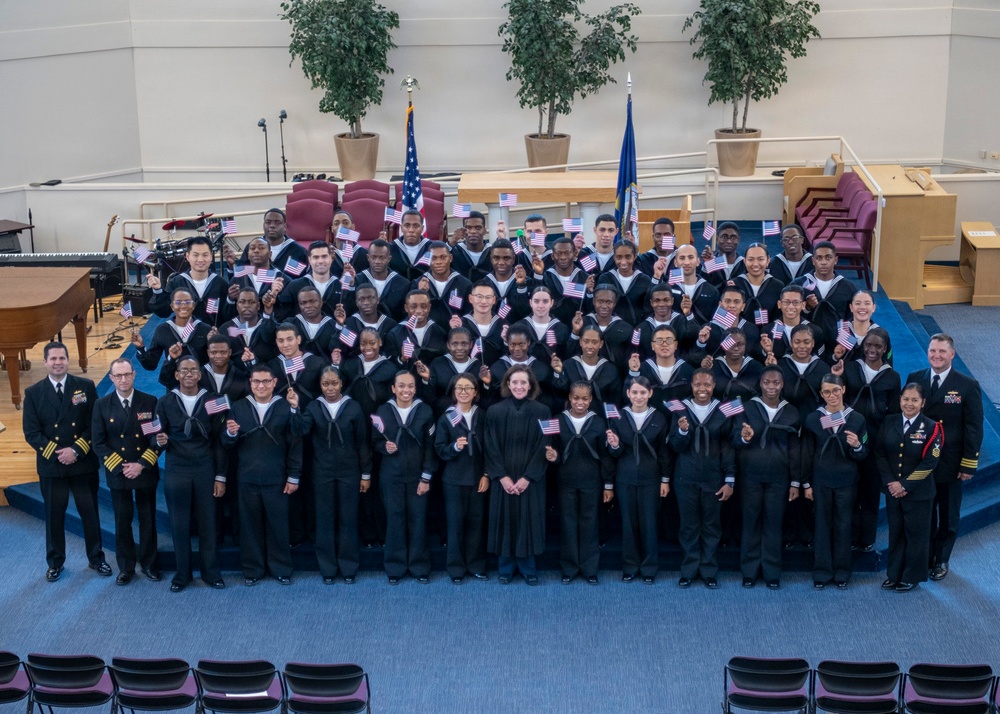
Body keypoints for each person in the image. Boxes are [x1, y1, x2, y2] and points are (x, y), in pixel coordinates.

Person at [22, 342, 108, 582]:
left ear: (68, 360)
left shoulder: (86, 387)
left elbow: (95, 424)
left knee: (90, 514)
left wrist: (76, 450)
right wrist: (60, 452)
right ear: (46, 362)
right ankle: (55, 563)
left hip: (82, 463)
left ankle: (97, 559)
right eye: (53, 359)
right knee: (54, 516)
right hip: (53, 465)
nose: (58, 362)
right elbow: (31, 433)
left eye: (62, 358)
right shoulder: (33, 393)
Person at [905, 333, 983, 581]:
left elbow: (973, 426)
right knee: (925, 512)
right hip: (921, 460)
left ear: (952, 354)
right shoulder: (915, 378)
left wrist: (969, 463)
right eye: (932, 351)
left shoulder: (967, 385)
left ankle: (942, 559)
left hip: (950, 461)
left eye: (941, 352)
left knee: (948, 515)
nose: (936, 356)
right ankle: (926, 555)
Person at [289, 366, 371, 584]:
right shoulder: (314, 407)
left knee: (348, 519)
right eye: (325, 384)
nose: (330, 388)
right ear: (320, 385)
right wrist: (295, 408)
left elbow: (363, 443)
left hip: (349, 472)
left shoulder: (353, 407)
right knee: (324, 521)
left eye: (334, 383)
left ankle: (348, 568)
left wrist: (365, 474)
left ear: (341, 383)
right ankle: (327, 569)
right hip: (322, 472)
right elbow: (300, 430)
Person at [223, 364, 302, 586]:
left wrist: (293, 476)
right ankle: (253, 570)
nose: (261, 386)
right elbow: (227, 443)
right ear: (250, 383)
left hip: (277, 479)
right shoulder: (238, 407)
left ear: (274, 383)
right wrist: (230, 433)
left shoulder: (286, 408)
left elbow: (295, 443)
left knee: (278, 527)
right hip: (247, 478)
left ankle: (281, 569)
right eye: (256, 381)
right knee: (249, 528)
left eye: (266, 381)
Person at [154, 355, 226, 591]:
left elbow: (220, 441)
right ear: (176, 375)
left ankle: (211, 573)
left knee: (209, 524)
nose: (188, 374)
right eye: (183, 371)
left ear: (199, 374)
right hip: (177, 470)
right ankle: (182, 575)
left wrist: (220, 476)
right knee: (179, 524)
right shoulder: (164, 402)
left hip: (206, 469)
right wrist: (159, 441)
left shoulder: (214, 400)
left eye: (193, 370)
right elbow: (155, 437)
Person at [91, 358, 161, 585]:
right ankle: (126, 567)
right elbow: (98, 442)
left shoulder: (150, 401)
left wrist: (141, 464)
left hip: (145, 470)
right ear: (111, 378)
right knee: (123, 520)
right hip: (118, 472)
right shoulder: (101, 405)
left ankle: (149, 564)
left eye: (127, 375)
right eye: (118, 376)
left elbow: (156, 439)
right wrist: (123, 467)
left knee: (148, 519)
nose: (123, 379)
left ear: (134, 375)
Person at [667, 369, 736, 589]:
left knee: (711, 526)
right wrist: (683, 432)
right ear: (692, 385)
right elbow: (674, 446)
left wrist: (730, 479)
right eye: (698, 384)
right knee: (688, 526)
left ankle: (708, 571)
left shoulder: (724, 410)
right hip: (685, 477)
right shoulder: (680, 409)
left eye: (706, 384)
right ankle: (688, 570)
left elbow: (728, 447)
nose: (702, 389)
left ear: (713, 385)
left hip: (713, 479)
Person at [733, 367, 800, 589]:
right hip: (750, 476)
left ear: (782, 385)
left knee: (773, 524)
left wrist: (795, 481)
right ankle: (749, 572)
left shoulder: (791, 412)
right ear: (760, 384)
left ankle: (772, 572)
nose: (771, 387)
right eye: (767, 382)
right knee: (750, 522)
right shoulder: (747, 408)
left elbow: (795, 450)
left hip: (779, 479)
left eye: (776, 383)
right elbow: (734, 438)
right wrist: (743, 438)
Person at [834, 327, 900, 552]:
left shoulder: (892, 376)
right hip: (850, 436)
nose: (872, 350)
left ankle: (867, 539)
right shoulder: (851, 368)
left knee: (870, 492)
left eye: (877, 346)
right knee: (850, 490)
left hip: (875, 440)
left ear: (885, 349)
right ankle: (849, 536)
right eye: (868, 345)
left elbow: (893, 413)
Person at [484, 365, 551, 584]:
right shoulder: (494, 411)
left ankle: (528, 568)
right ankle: (505, 568)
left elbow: (546, 444)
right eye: (515, 382)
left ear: (530, 385)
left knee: (528, 522)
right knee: (505, 521)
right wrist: (501, 477)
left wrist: (528, 477)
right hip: (503, 479)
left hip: (530, 479)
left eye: (523, 382)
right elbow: (490, 446)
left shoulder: (544, 411)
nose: (519, 386)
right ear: (507, 384)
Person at [801, 373, 868, 589]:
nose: (832, 395)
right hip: (821, 481)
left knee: (843, 525)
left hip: (847, 481)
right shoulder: (813, 419)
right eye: (827, 392)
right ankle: (821, 572)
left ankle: (842, 571)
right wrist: (806, 483)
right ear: (821, 394)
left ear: (844, 390)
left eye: (836, 390)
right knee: (821, 526)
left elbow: (863, 453)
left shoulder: (857, 419)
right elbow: (806, 454)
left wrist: (857, 445)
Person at [372, 371, 438, 584]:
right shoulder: (383, 410)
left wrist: (426, 477)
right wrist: (384, 447)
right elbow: (374, 441)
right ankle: (395, 567)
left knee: (418, 521)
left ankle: (419, 566)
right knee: (395, 520)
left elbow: (431, 448)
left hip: (418, 477)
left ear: (415, 388)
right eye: (401, 386)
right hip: (391, 476)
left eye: (410, 386)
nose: (406, 390)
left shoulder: (425, 411)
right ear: (393, 388)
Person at [875, 383, 943, 592]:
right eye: (906, 399)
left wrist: (904, 485)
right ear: (900, 400)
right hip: (893, 492)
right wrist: (891, 484)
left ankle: (911, 576)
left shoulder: (932, 427)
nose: (909, 404)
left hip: (919, 493)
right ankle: (894, 574)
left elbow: (930, 463)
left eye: (914, 400)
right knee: (896, 534)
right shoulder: (889, 422)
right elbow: (880, 454)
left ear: (922, 403)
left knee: (916, 537)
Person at [606, 376, 671, 584]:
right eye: (634, 392)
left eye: (643, 393)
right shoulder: (617, 417)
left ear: (650, 393)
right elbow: (613, 454)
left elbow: (664, 452)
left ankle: (649, 568)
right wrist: (614, 445)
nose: (639, 396)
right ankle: (630, 566)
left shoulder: (659, 418)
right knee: (628, 523)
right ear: (628, 394)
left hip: (651, 478)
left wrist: (665, 479)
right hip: (625, 477)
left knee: (649, 524)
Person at [546, 381, 612, 584]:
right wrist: (552, 456)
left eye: (584, 398)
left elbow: (606, 456)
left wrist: (608, 483)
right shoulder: (557, 420)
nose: (580, 402)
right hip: (566, 481)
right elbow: (554, 452)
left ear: (590, 399)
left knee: (589, 523)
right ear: (569, 398)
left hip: (591, 481)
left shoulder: (600, 423)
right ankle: (570, 568)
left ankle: (589, 568)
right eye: (576, 398)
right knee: (568, 523)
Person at [434, 374, 490, 583]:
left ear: (476, 392)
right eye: (459, 388)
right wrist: (454, 447)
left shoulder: (483, 415)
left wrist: (486, 474)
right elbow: (439, 449)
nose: (463, 391)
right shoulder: (447, 417)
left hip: (478, 479)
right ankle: (456, 568)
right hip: (454, 480)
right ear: (454, 392)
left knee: (476, 523)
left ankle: (475, 565)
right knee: (455, 525)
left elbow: (491, 449)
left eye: (468, 388)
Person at [133, 287, 211, 387]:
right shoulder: (163, 330)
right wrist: (140, 347)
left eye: (187, 302)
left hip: (201, 385)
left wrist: (214, 343)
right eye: (178, 303)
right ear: (172, 306)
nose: (183, 305)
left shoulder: (205, 329)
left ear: (193, 305)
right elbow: (151, 365)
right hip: (174, 386)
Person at [147, 236, 229, 323]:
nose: (200, 259)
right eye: (195, 255)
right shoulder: (177, 283)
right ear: (187, 256)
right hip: (185, 334)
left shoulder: (220, 284)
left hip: (213, 333)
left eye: (205, 255)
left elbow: (227, 314)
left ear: (211, 257)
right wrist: (158, 290)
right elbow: (164, 311)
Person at [551, 326, 622, 411]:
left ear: (601, 344)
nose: (589, 346)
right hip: (573, 416)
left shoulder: (610, 370)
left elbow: (615, 400)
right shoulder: (569, 365)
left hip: (599, 418)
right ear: (580, 342)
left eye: (594, 342)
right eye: (586, 341)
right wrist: (558, 373)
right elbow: (560, 394)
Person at [627, 325, 693, 413]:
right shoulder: (642, 369)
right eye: (659, 340)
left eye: (669, 340)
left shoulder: (688, 370)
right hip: (652, 421)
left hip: (680, 420)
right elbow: (628, 396)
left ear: (676, 345)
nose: (664, 344)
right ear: (652, 346)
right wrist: (633, 372)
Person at [596, 240, 662, 325]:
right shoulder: (606, 278)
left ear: (634, 256)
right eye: (619, 257)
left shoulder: (644, 280)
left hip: (637, 329)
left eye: (628, 257)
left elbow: (649, 306)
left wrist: (656, 276)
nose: (623, 262)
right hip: (612, 329)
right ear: (614, 257)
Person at [228, 208, 308, 275]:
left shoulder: (298, 251)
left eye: (277, 223)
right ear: (263, 225)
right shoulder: (252, 247)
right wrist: (232, 266)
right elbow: (241, 276)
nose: (272, 225)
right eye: (268, 222)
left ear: (285, 227)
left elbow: (301, 280)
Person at [350, 238, 410, 321]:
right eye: (373, 257)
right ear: (368, 257)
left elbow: (405, 315)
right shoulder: (357, 280)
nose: (377, 261)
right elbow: (350, 309)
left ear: (389, 259)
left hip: (391, 330)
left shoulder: (403, 283)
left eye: (382, 258)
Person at [413, 241, 472, 326]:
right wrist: (420, 292)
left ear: (450, 258)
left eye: (443, 257)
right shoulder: (417, 284)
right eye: (434, 258)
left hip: (456, 333)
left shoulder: (465, 284)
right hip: (430, 334)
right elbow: (412, 314)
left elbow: (469, 314)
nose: (438, 262)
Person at [285, 241, 345, 318]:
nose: (320, 261)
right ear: (309, 259)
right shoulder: (294, 286)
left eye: (324, 256)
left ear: (331, 258)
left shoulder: (341, 286)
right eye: (316, 257)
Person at [220, 287, 278, 366]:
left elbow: (270, 336)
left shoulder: (268, 326)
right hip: (236, 376)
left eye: (251, 302)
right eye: (242, 302)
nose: (246, 306)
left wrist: (268, 310)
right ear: (237, 306)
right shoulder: (226, 329)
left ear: (258, 306)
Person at [733, 243, 782, 324]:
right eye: (751, 259)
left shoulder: (778, 286)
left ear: (768, 260)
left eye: (760, 259)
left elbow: (779, 317)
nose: (755, 264)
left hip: (768, 334)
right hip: (739, 333)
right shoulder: (734, 285)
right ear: (744, 261)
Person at [671, 244, 720, 324]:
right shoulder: (667, 289)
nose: (686, 262)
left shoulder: (712, 291)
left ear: (698, 262)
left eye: (690, 257)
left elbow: (716, 323)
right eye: (682, 258)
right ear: (675, 263)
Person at [449, 210, 493, 282]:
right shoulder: (455, 251)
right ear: (463, 230)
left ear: (484, 231)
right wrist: (451, 243)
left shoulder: (492, 252)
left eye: (478, 228)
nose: (473, 232)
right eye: (468, 228)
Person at [390, 210, 433, 281]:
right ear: (401, 228)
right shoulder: (391, 248)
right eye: (407, 225)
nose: (411, 230)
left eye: (416, 226)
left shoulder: (431, 247)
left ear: (422, 229)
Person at [700, 221, 745, 287]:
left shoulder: (745, 264)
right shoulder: (710, 262)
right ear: (717, 239)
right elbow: (703, 287)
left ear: (738, 240)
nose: (729, 241)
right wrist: (708, 265)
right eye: (724, 237)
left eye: (733, 237)